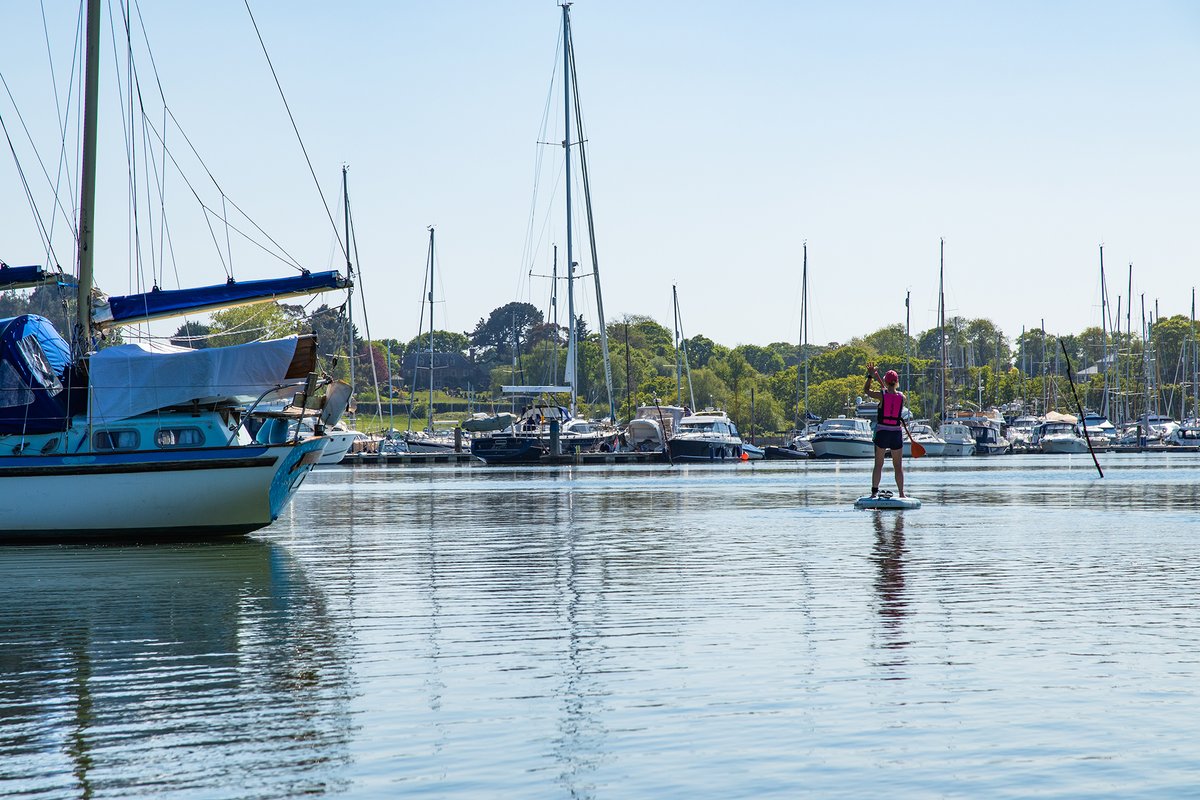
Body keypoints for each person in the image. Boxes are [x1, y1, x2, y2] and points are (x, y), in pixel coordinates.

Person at [864, 362, 906, 498]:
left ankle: (874, 493)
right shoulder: (902, 397)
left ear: (886, 381)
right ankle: (901, 493)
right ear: (897, 381)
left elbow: (867, 391)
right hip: (896, 433)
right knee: (898, 466)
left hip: (883, 433)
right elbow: (891, 393)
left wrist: (870, 376)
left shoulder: (881, 395)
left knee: (878, 464)